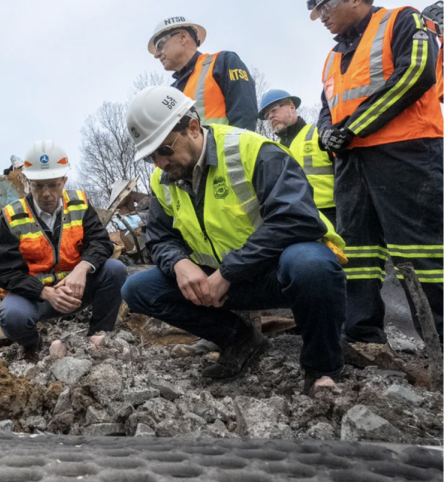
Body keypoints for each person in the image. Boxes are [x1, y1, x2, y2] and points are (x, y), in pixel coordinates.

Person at [121, 86, 347, 394]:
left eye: (164, 149)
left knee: (312, 265)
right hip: (222, 285)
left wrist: (229, 271)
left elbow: (297, 218)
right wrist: (180, 264)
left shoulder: (253, 151)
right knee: (139, 288)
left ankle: (322, 368)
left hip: (276, 274)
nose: (160, 163)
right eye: (151, 157)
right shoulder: (163, 181)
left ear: (192, 127)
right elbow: (160, 239)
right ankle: (240, 340)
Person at [309, 0, 443, 344]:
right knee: (358, 251)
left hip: (407, 152)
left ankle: (439, 339)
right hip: (352, 163)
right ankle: (362, 334)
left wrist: (353, 128)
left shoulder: (402, 20)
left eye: (324, 6)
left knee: (420, 251)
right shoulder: (332, 57)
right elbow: (328, 105)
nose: (321, 17)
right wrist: (327, 132)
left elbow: (416, 73)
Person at [0, 141, 126, 359]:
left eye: (53, 185)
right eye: (38, 186)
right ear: (28, 181)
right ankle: (32, 345)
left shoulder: (80, 204)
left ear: (64, 180)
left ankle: (98, 337)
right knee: (12, 316)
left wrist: (81, 269)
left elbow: (101, 243)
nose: (46, 194)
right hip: (35, 297)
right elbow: (7, 274)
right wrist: (45, 293)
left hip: (75, 289)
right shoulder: (10, 217)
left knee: (115, 269)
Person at [148, 16, 259, 131]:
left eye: (160, 45)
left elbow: (245, 117)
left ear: (182, 37)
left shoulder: (222, 63)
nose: (156, 55)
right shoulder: (171, 91)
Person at [259, 89, 337, 225]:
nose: (270, 116)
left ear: (292, 107)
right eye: (267, 115)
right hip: (294, 216)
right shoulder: (273, 149)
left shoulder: (318, 134)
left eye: (274, 110)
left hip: (331, 213)